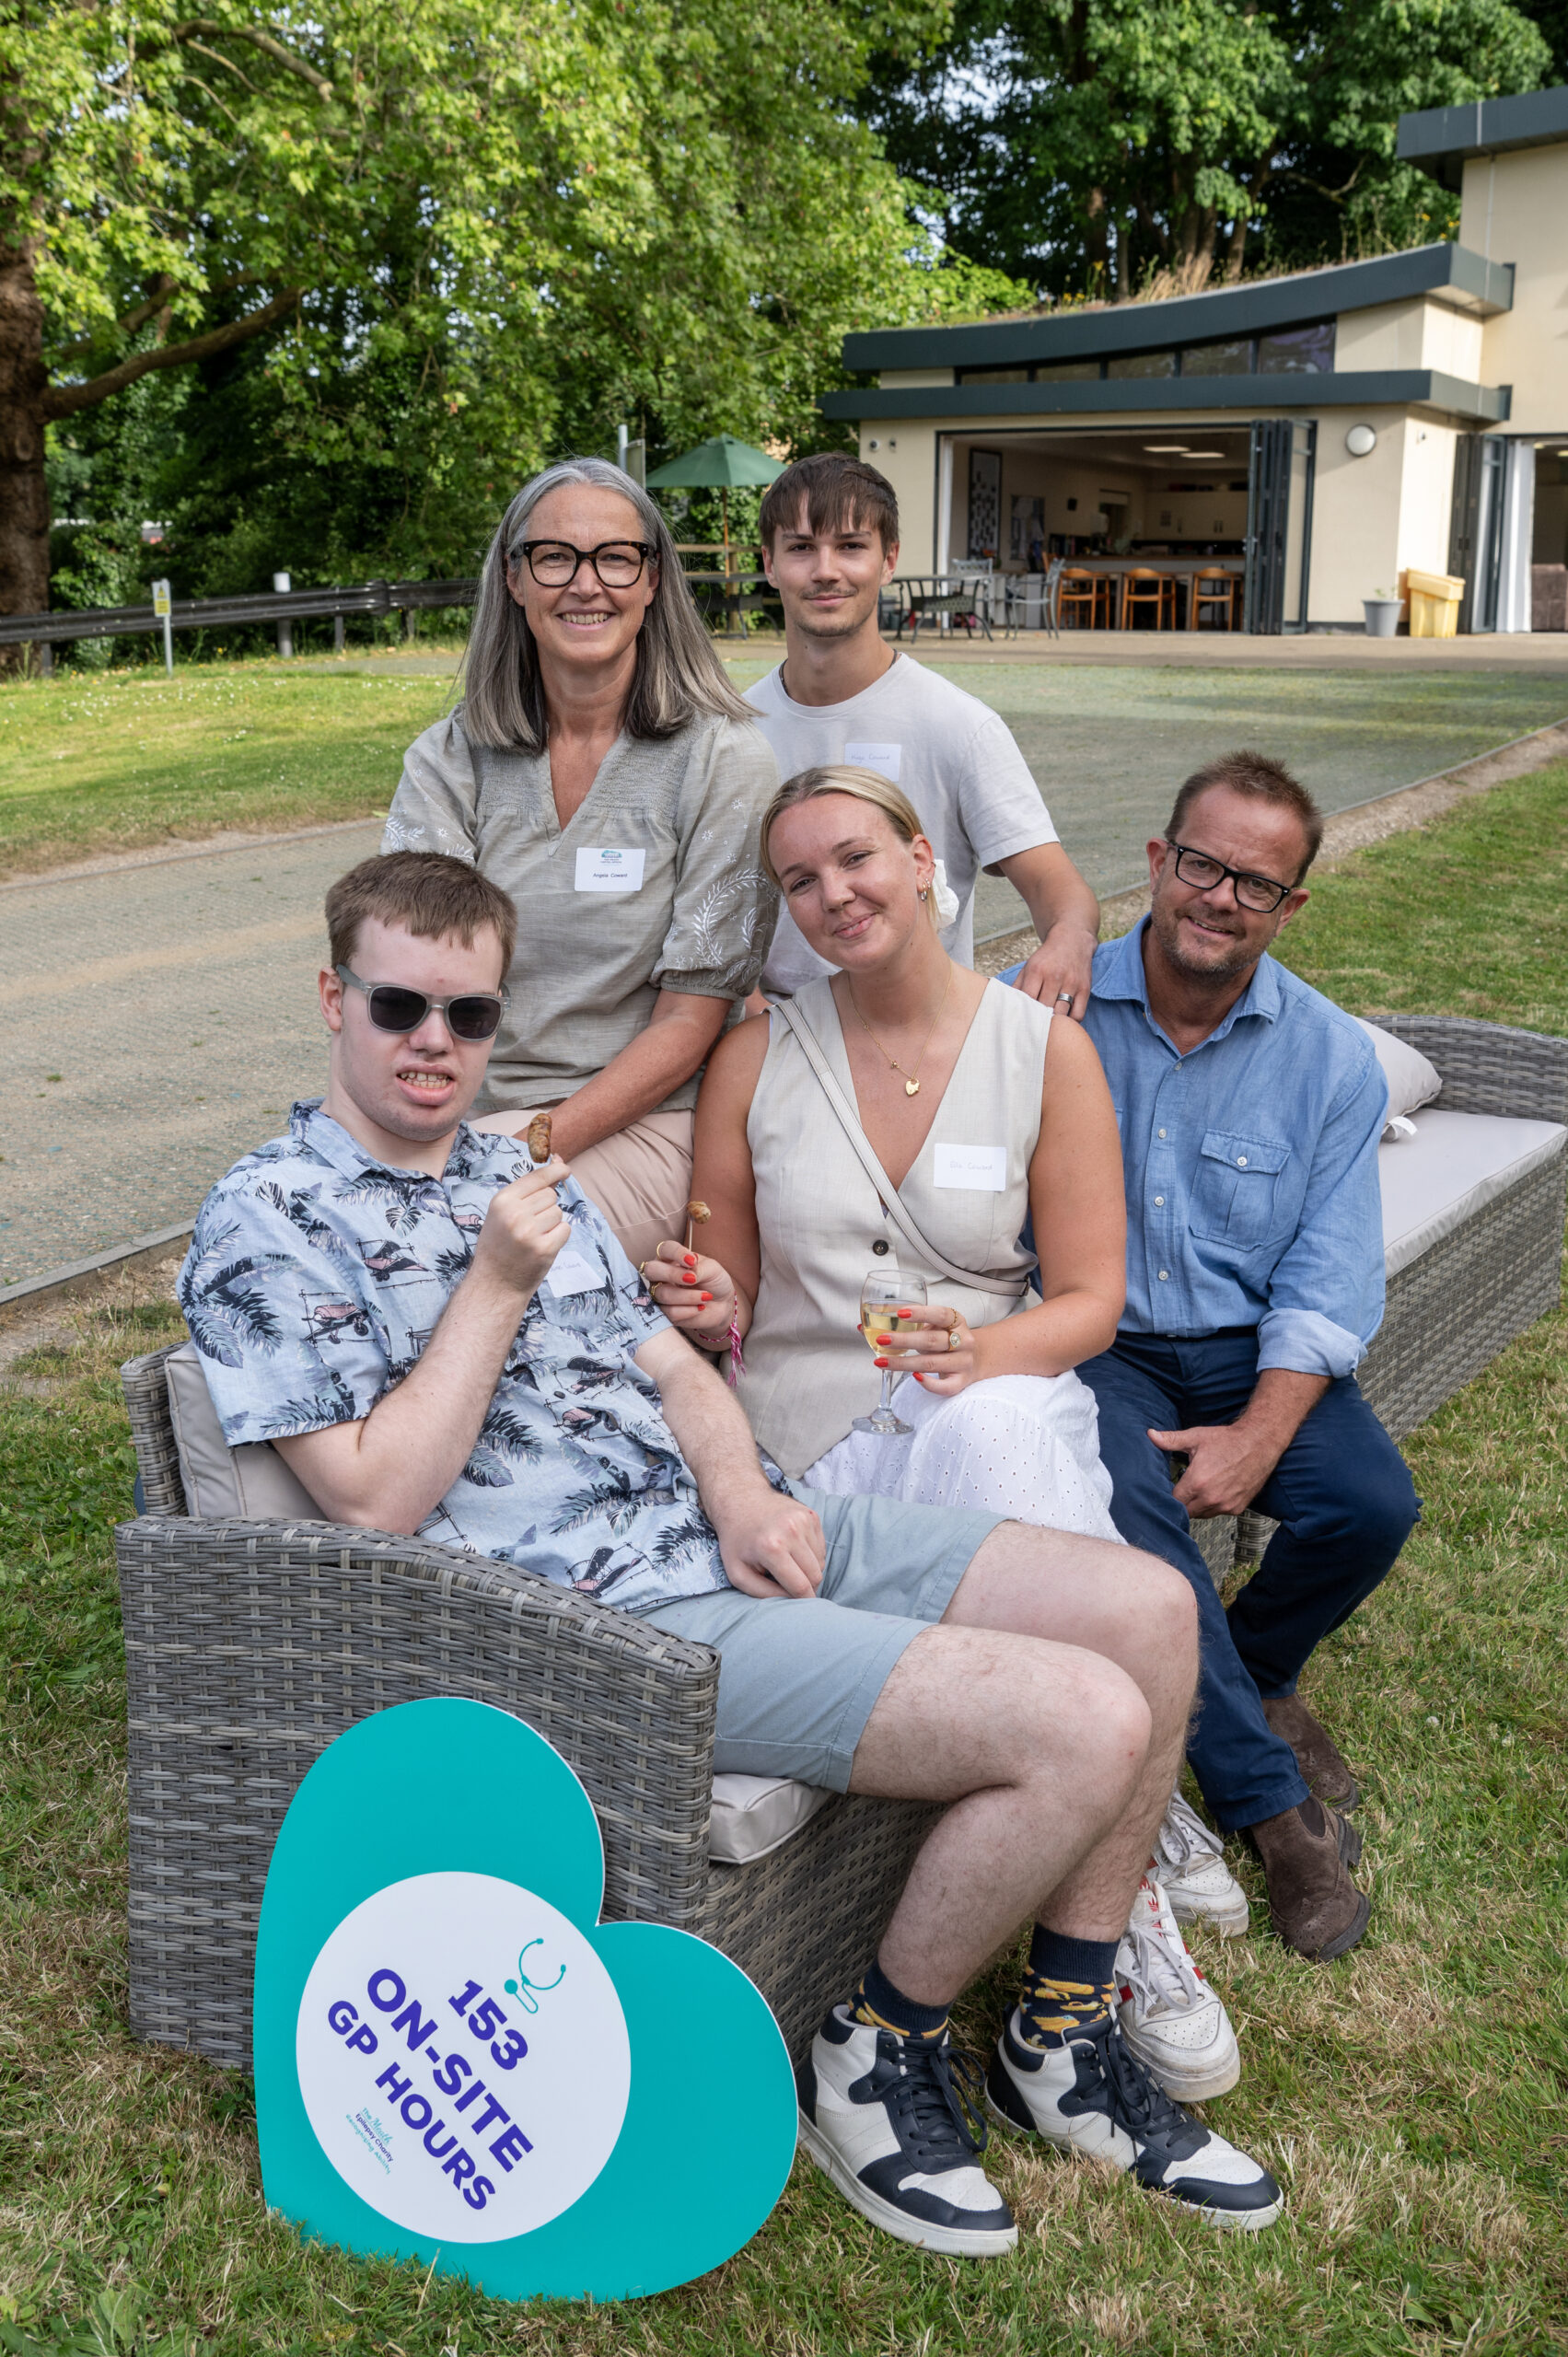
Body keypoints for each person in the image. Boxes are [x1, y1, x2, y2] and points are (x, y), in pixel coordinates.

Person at [180, 848, 1281, 2254]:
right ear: (333, 997)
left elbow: (666, 1359)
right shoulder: (265, 1220)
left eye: (470, 1018)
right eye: (402, 1008)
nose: (435, 1047)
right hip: (595, 1625)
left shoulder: (519, 1171)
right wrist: (492, 1287)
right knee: (1079, 1722)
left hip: (725, 1535)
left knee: (1143, 1616)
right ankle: (872, 2056)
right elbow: (375, 1502)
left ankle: (1057, 2037)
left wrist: (741, 1491)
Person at [645, 763, 1248, 2103]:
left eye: (854, 859)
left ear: (923, 861)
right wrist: (708, 1296)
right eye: (798, 881)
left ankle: (1106, 1918)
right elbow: (726, 1298)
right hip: (809, 1439)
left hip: (982, 1392)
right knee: (1007, 1462)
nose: (830, 895)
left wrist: (978, 1352)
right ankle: (1122, 1846)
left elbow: (1090, 1301)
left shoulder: (1044, 1049)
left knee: (1000, 1435)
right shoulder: (756, 1054)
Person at [1038, 750, 1420, 1964]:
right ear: (1153, 862)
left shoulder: (1326, 1058)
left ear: (1290, 905)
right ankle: (1271, 1814)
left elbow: (1327, 1275)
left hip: (1248, 1348)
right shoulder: (1041, 1005)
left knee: (1366, 1505)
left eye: (1253, 884)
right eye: (1198, 864)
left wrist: (1260, 1431)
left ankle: (1249, 1667)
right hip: (1093, 1342)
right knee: (1134, 1516)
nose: (1217, 897)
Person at [383, 456, 779, 1270]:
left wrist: (524, 1147)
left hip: (647, 1129)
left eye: (614, 558)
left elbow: (689, 1021)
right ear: (515, 577)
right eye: (555, 557)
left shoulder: (721, 760)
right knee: (292, 1215)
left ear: (652, 580)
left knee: (431, 1244)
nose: (585, 584)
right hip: (457, 1115)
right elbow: (407, 978)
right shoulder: (452, 758)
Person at [748, 454, 1100, 1014]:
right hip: (778, 1031)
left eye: (850, 546)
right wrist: (754, 1016)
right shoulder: (735, 729)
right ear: (769, 562)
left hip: (921, 1035)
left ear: (888, 560)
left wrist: (1068, 943)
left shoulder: (957, 724)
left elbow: (1058, 890)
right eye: (800, 548)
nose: (825, 570)